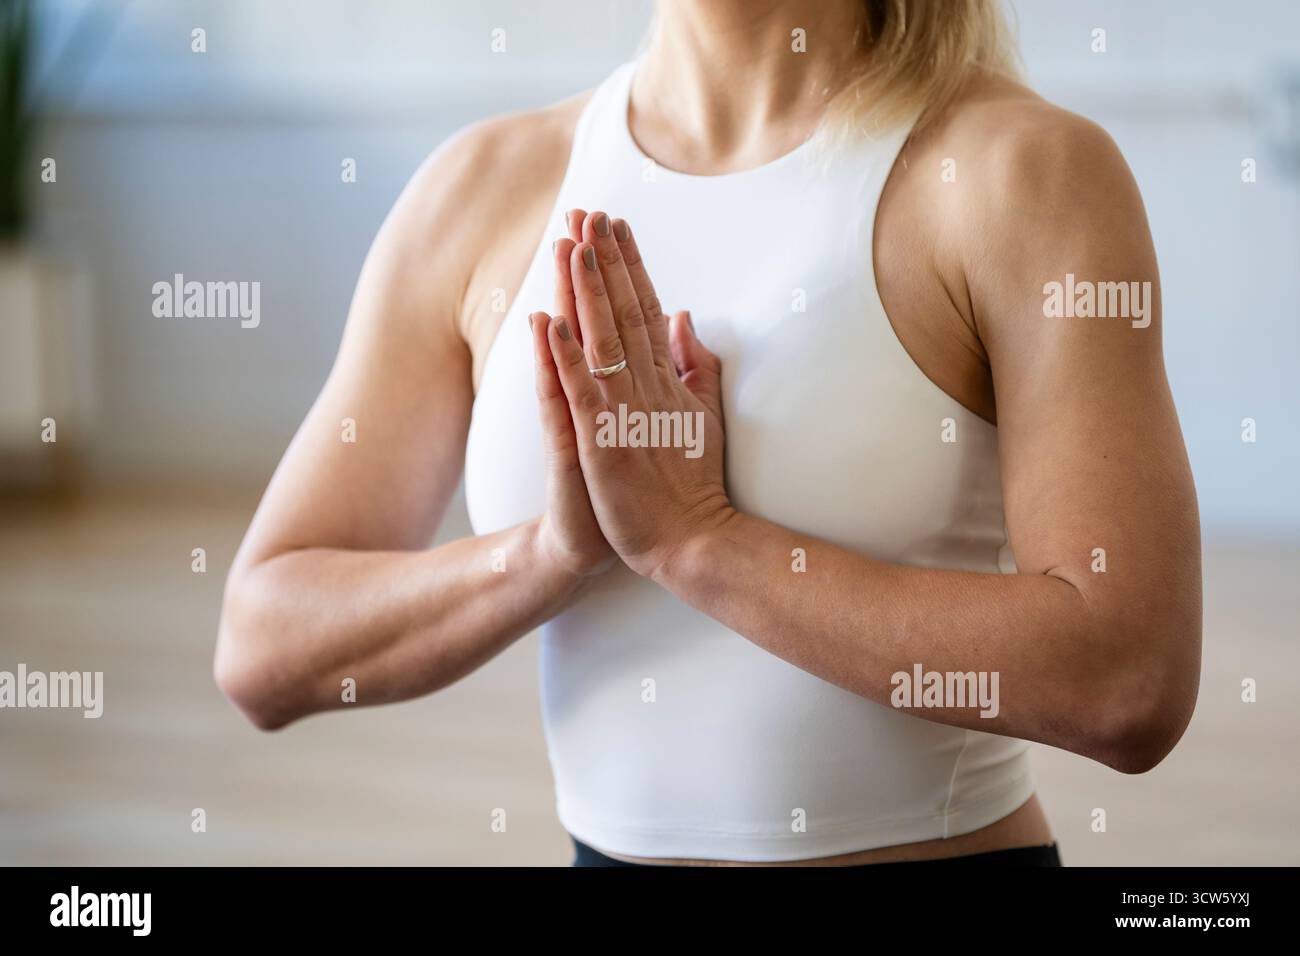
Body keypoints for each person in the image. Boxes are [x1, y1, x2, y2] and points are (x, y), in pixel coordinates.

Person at [215, 0, 1202, 866]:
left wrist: (700, 541)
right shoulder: (480, 188)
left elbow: (1127, 678)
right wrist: (550, 555)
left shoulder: (1022, 173)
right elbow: (263, 644)